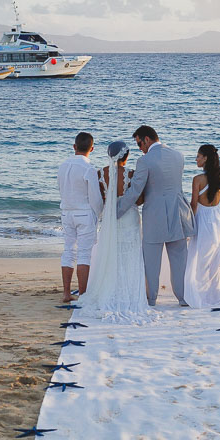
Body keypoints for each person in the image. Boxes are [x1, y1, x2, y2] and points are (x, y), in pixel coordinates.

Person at [117, 125, 194, 307]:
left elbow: (136, 190)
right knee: (179, 258)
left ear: (147, 139)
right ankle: (183, 297)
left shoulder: (145, 161)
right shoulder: (178, 155)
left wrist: (117, 210)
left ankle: (151, 298)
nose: (140, 149)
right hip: (179, 211)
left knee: (151, 261)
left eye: (139, 144)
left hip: (155, 214)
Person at [82, 140, 154, 323]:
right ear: (127, 156)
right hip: (129, 216)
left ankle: (110, 289)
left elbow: (99, 198)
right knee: (130, 254)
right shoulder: (132, 174)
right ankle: (128, 292)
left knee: (110, 252)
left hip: (109, 217)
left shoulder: (100, 173)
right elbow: (139, 200)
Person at [57, 132, 104, 303]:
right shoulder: (89, 169)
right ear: (92, 148)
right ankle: (83, 295)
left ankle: (66, 293)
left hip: (66, 211)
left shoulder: (63, 166)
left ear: (74, 147)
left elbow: (60, 189)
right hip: (84, 212)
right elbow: (95, 197)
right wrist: (100, 214)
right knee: (84, 254)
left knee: (68, 251)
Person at [185, 144, 220, 308]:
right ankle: (211, 293)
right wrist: (219, 220)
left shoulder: (197, 179)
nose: (196, 159)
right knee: (213, 258)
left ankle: (197, 292)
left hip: (202, 219)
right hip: (217, 219)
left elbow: (194, 204)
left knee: (198, 256)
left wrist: (189, 224)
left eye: (198, 156)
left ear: (206, 158)